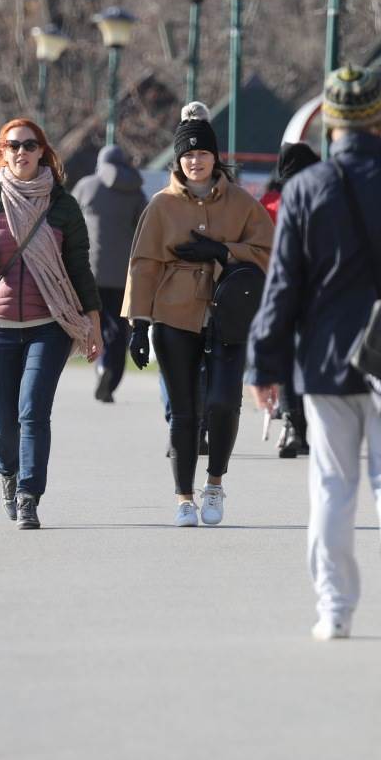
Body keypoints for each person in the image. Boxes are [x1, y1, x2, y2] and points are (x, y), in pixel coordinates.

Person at [247, 66, 381, 641]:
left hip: (325, 361)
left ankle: (335, 610)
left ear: (331, 123)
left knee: (332, 485)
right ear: (379, 119)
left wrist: (264, 365)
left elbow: (282, 287)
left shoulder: (305, 189)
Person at [124, 105, 273, 528]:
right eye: (187, 154)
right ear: (178, 160)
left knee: (224, 402)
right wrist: (138, 324)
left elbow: (268, 252)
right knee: (184, 410)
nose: (195, 161)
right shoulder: (161, 205)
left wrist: (224, 251)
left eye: (202, 153)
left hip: (230, 315)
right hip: (174, 315)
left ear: (214, 157)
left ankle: (215, 483)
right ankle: (184, 498)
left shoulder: (243, 203)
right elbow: (143, 264)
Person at [0, 119, 103, 530]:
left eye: (29, 145)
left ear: (42, 150)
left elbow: (79, 267)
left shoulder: (62, 205)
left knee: (33, 412)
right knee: (1, 426)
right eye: (13, 146)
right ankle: (8, 476)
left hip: (50, 324)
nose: (21, 152)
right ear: (2, 152)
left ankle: (29, 496)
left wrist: (93, 324)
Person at [72, 143, 149, 404]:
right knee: (118, 328)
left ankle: (101, 365)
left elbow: (68, 222)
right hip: (124, 274)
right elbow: (145, 227)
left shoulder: (86, 186)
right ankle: (111, 375)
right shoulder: (136, 191)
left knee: (96, 322)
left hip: (90, 270)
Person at [262, 140, 320, 459]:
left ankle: (293, 424)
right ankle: (307, 426)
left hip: (280, 290)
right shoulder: (325, 196)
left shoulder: (270, 202)